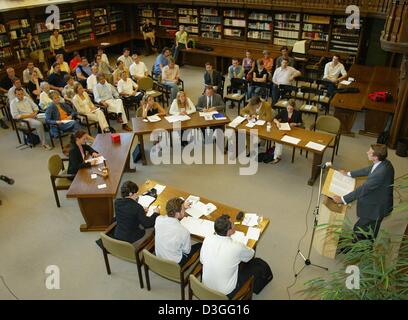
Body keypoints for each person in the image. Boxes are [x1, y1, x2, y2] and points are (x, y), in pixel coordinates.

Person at [332, 144, 394, 241]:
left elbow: (363, 189)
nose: (367, 152)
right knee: (371, 228)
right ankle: (364, 246)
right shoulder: (383, 162)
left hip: (377, 207)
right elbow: (368, 170)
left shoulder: (380, 173)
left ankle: (357, 247)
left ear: (375, 157)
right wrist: (349, 174)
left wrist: (343, 199)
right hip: (379, 200)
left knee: (360, 228)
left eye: (369, 152)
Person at [200, 214, 255, 298]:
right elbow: (250, 255)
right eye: (232, 224)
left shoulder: (207, 239)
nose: (234, 225)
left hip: (205, 286)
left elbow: (202, 260)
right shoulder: (236, 246)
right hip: (225, 292)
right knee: (253, 267)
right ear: (229, 231)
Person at [155, 197, 202, 265]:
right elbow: (187, 251)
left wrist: (182, 206)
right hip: (174, 262)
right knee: (199, 244)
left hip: (159, 256)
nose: (184, 211)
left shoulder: (158, 219)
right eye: (183, 209)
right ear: (177, 213)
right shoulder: (184, 231)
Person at [114, 181, 160, 247]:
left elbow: (128, 211)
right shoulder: (137, 207)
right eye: (136, 193)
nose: (137, 195)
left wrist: (141, 211)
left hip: (118, 233)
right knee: (153, 228)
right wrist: (156, 213)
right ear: (130, 194)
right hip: (131, 238)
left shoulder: (117, 202)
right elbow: (147, 224)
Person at [272, 99, 302, 164]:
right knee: (278, 140)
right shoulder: (284, 111)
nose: (289, 110)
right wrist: (277, 122)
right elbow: (275, 118)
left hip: (293, 131)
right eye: (288, 108)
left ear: (294, 108)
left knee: (281, 141)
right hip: (283, 129)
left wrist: (295, 124)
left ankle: (277, 155)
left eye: (291, 109)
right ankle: (277, 157)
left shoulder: (297, 113)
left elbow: (300, 123)